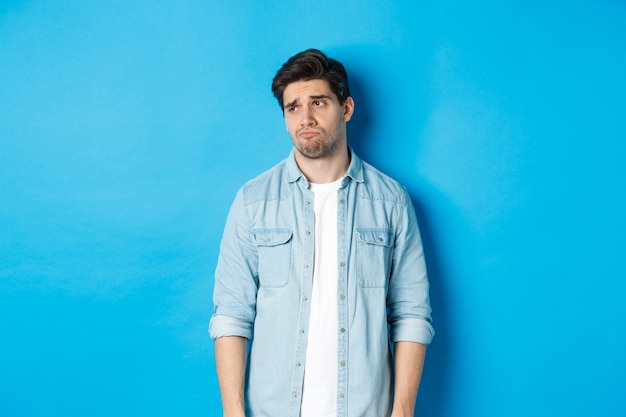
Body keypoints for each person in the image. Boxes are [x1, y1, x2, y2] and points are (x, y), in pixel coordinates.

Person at [209, 48, 434, 417]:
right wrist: (233, 413)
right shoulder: (253, 202)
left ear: (346, 108)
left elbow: (411, 314)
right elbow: (232, 315)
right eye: (293, 107)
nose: (306, 117)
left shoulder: (391, 201)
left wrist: (403, 412)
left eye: (318, 102)